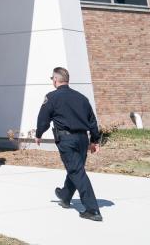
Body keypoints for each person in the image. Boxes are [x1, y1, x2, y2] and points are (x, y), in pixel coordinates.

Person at [36, 66, 103, 222]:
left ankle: (92, 210)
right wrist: (94, 140)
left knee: (77, 172)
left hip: (67, 140)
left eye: (52, 78)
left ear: (55, 80)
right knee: (76, 169)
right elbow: (92, 121)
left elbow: (43, 118)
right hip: (82, 139)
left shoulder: (52, 97)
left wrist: (39, 134)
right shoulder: (81, 98)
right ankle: (65, 196)